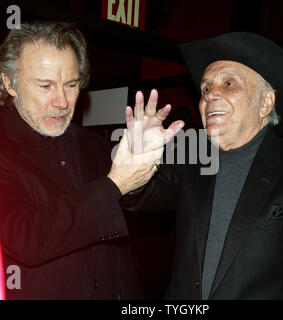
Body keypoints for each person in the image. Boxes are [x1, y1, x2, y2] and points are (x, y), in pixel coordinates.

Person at [122, 32, 283, 299]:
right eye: (206, 88)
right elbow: (135, 197)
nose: (210, 95)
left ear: (266, 102)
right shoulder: (192, 159)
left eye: (229, 84)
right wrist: (137, 157)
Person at [0, 21, 181, 299]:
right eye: (45, 86)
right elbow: (25, 237)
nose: (62, 101)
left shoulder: (93, 144)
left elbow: (157, 202)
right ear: (8, 83)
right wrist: (116, 184)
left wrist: (141, 164)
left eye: (71, 85)